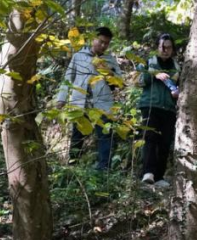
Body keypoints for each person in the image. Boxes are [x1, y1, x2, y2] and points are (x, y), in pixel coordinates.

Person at [56, 26, 123, 171]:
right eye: (101, 41)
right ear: (93, 39)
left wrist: (108, 72)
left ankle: (103, 169)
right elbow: (68, 78)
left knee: (105, 135)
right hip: (80, 102)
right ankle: (72, 168)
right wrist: (61, 98)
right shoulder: (78, 56)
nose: (103, 45)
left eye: (106, 43)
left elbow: (120, 81)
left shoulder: (110, 60)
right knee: (77, 135)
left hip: (103, 104)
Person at [137, 33, 180, 188]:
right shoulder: (148, 62)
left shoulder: (177, 67)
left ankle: (160, 176)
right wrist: (155, 74)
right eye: (162, 47)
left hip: (169, 108)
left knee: (165, 142)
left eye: (168, 47)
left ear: (172, 49)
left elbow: (182, 86)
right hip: (150, 105)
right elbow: (140, 80)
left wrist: (178, 92)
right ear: (157, 47)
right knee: (150, 139)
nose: (165, 50)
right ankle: (148, 173)